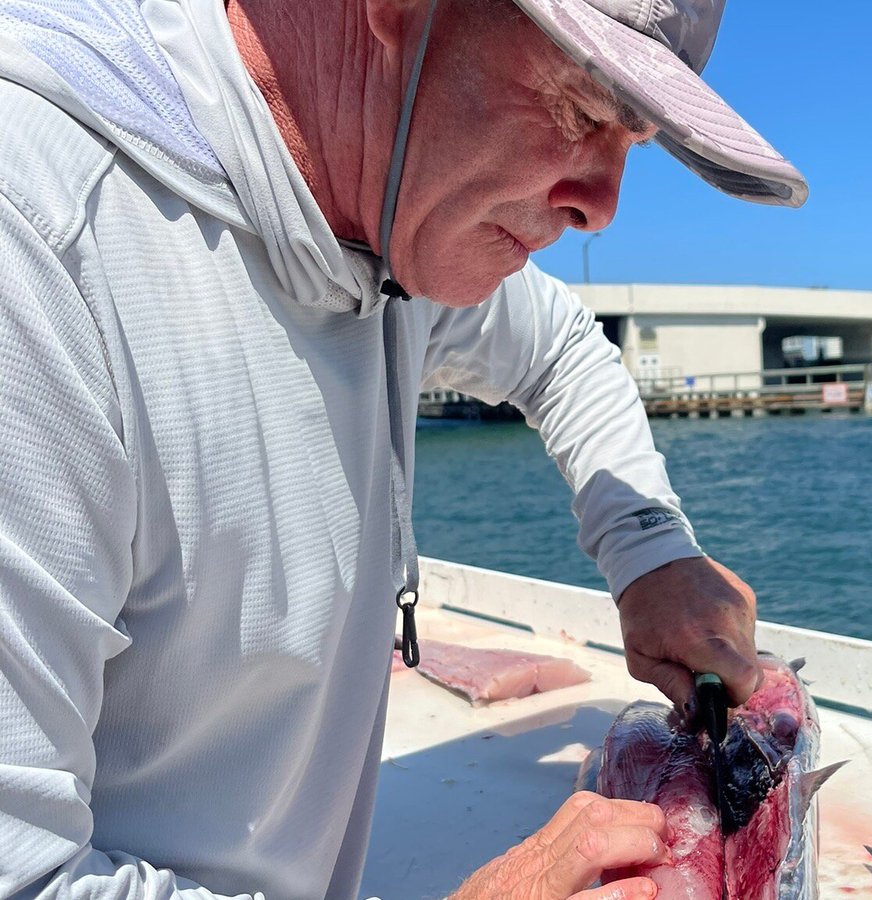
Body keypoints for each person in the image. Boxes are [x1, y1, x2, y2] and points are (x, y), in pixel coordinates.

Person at [0, 0, 807, 896]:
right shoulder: (37, 237)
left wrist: (650, 549)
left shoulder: (390, 207)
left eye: (636, 139)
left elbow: (562, 351)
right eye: (582, 110)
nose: (602, 209)